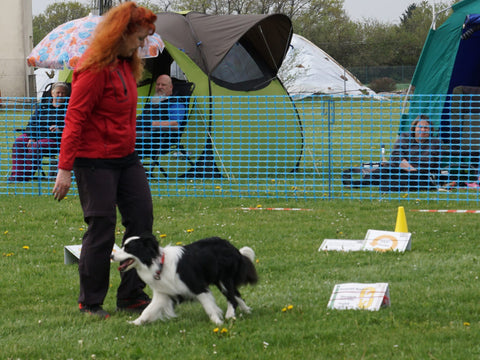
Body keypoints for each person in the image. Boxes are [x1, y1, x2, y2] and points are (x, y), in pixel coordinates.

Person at [52, 3, 157, 318]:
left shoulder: (127, 66)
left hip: (126, 159)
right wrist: (64, 169)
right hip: (93, 160)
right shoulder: (93, 69)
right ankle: (91, 303)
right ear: (121, 33)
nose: (141, 45)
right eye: (139, 38)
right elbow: (75, 119)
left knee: (141, 220)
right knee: (102, 228)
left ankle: (131, 295)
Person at [9, 82, 69, 181]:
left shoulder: (69, 108)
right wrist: (32, 137)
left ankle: (24, 176)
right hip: (37, 135)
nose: (60, 95)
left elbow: (72, 126)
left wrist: (60, 128)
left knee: (37, 146)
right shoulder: (42, 106)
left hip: (56, 138)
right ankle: (17, 174)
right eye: (58, 92)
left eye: (63, 93)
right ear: (52, 93)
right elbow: (32, 123)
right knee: (19, 142)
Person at [363, 115, 443, 191]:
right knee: (379, 173)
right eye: (420, 127)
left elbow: (435, 166)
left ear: (430, 130)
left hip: (420, 174)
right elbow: (396, 157)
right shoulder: (405, 137)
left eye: (426, 128)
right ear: (414, 128)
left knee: (410, 179)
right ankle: (357, 184)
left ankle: (389, 186)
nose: (422, 130)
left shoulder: (435, 143)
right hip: (399, 169)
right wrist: (411, 170)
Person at [136, 74, 187, 158]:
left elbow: (175, 125)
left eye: (163, 85)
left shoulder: (176, 103)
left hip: (157, 141)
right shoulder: (153, 102)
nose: (160, 87)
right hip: (142, 134)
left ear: (170, 87)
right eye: (158, 84)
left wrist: (151, 124)